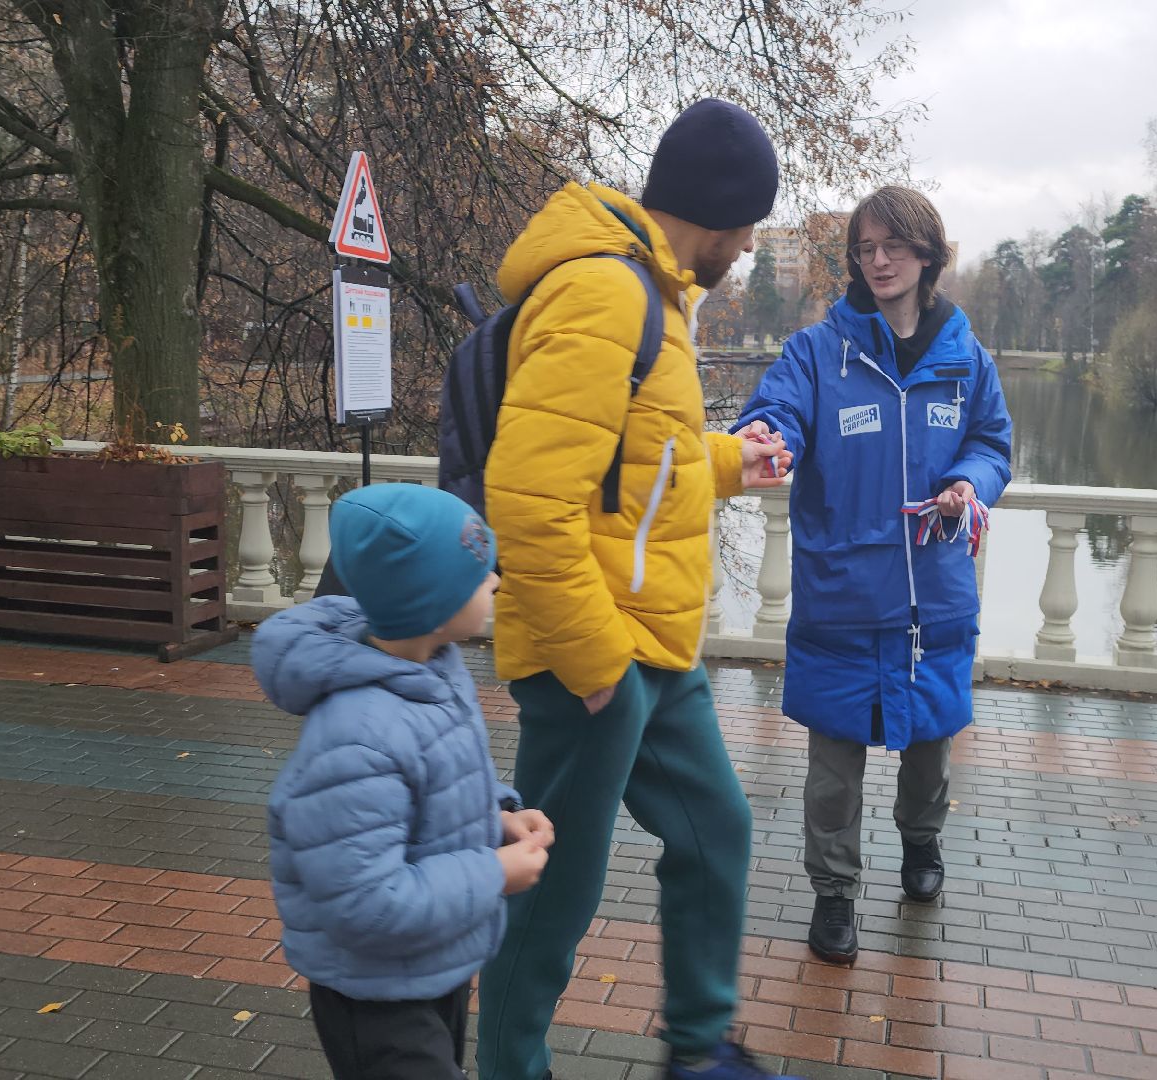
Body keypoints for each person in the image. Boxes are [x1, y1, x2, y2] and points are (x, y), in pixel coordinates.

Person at [475, 99, 795, 1080]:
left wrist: (731, 462)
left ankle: (699, 1055)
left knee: (717, 833)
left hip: (652, 642)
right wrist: (594, 659)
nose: (746, 248)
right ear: (719, 212)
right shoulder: (603, 294)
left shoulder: (653, 296)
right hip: (596, 653)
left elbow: (635, 461)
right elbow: (528, 501)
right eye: (748, 226)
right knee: (552, 898)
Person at [734, 186, 1013, 964]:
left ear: (928, 253)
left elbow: (992, 443)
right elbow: (777, 411)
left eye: (894, 245)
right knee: (833, 776)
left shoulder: (967, 361)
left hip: (936, 604)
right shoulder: (819, 353)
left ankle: (922, 845)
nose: (879, 260)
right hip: (843, 600)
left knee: (929, 755)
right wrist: (763, 436)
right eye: (866, 248)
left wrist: (970, 484)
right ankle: (833, 895)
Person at [252, 482, 556, 1080]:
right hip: (374, 994)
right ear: (429, 601)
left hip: (428, 963)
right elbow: (364, 901)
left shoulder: (430, 667)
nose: (495, 579)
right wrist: (493, 872)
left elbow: (433, 784)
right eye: (478, 573)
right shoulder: (357, 738)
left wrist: (494, 817)